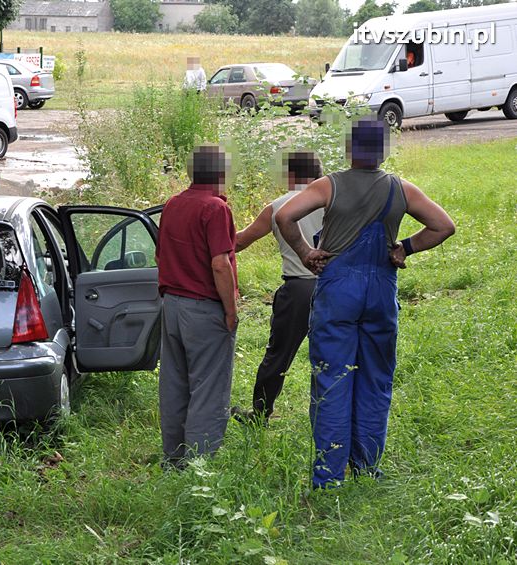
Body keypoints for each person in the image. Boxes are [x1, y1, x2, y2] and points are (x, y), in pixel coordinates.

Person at [275, 118, 455, 488]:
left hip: (339, 291)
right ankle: (367, 468)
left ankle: (328, 476)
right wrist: (405, 247)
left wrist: (306, 253)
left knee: (332, 380)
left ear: (349, 149)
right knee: (375, 380)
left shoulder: (330, 185)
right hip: (380, 292)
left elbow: (284, 215)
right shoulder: (400, 188)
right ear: (383, 152)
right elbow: (443, 225)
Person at [156, 144, 238, 468]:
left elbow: (160, 255)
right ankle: (199, 466)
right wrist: (230, 310)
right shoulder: (215, 208)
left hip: (172, 306)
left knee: (175, 383)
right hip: (204, 308)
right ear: (220, 173)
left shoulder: (173, 204)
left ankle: (173, 458)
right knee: (208, 386)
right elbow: (220, 264)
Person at [231, 151, 325, 425]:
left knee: (278, 355)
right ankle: (330, 417)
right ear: (318, 172)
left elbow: (238, 242)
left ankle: (260, 413)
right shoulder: (335, 201)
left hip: (297, 290)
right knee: (334, 354)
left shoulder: (279, 206)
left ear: (291, 174)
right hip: (336, 287)